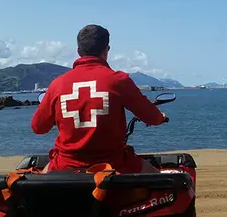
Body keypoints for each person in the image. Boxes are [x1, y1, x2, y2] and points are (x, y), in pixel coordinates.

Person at [31, 24, 168, 174]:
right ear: (106, 49)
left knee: (38, 188)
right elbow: (151, 117)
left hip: (67, 166)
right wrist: (160, 118)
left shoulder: (57, 84)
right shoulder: (118, 80)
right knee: (164, 182)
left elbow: (38, 128)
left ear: (78, 51)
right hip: (113, 165)